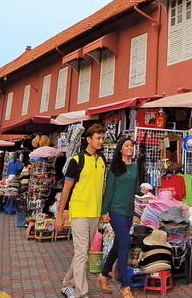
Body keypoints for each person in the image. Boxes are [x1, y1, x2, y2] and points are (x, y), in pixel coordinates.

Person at [56, 123, 107, 298]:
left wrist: (103, 211)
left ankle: (66, 284)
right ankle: (81, 293)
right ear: (88, 139)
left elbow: (102, 188)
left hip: (95, 213)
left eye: (103, 138)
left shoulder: (102, 161)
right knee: (80, 254)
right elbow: (66, 189)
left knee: (82, 254)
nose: (102, 141)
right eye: (98, 138)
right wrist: (59, 216)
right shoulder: (76, 161)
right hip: (79, 213)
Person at [98, 137, 141, 297]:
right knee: (125, 243)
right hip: (116, 210)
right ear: (121, 149)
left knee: (118, 245)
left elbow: (135, 188)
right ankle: (125, 286)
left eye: (131, 146)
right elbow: (108, 190)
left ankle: (103, 274)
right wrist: (104, 211)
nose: (130, 148)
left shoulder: (136, 167)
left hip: (129, 211)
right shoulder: (114, 168)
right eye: (127, 146)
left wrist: (144, 192)